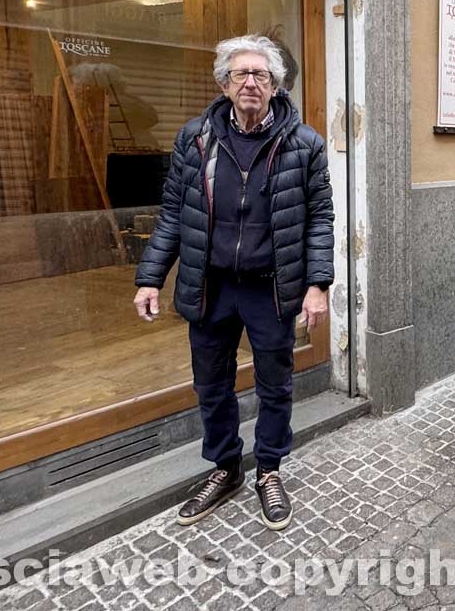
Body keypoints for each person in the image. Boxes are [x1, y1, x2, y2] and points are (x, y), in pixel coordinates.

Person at [132, 34, 334, 531]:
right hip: (211, 284)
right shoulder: (195, 139)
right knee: (211, 384)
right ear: (224, 84)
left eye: (260, 74)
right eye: (240, 74)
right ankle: (226, 468)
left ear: (275, 86)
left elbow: (320, 219)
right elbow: (174, 213)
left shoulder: (304, 143)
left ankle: (269, 470)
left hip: (270, 287)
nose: (250, 82)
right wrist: (151, 277)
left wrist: (317, 285)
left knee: (275, 384)